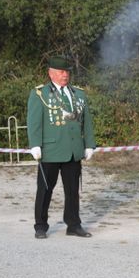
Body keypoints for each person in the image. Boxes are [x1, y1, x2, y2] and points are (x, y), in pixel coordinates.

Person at [27, 56, 96, 239]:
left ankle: (73, 224)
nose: (65, 75)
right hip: (50, 150)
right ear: (51, 73)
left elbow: (86, 121)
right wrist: (35, 144)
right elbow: (34, 122)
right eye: (61, 72)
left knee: (72, 191)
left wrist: (89, 144)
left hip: (73, 150)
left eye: (67, 72)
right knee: (45, 189)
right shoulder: (40, 94)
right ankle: (40, 226)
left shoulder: (78, 94)